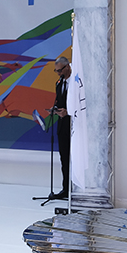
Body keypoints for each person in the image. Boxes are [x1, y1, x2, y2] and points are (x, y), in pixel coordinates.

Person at [51, 56, 72, 200]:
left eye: (60, 71)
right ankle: (66, 189)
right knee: (64, 157)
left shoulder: (76, 83)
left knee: (75, 159)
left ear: (67, 67)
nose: (58, 73)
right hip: (63, 126)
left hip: (75, 125)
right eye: (56, 71)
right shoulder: (59, 83)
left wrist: (68, 112)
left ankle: (77, 189)